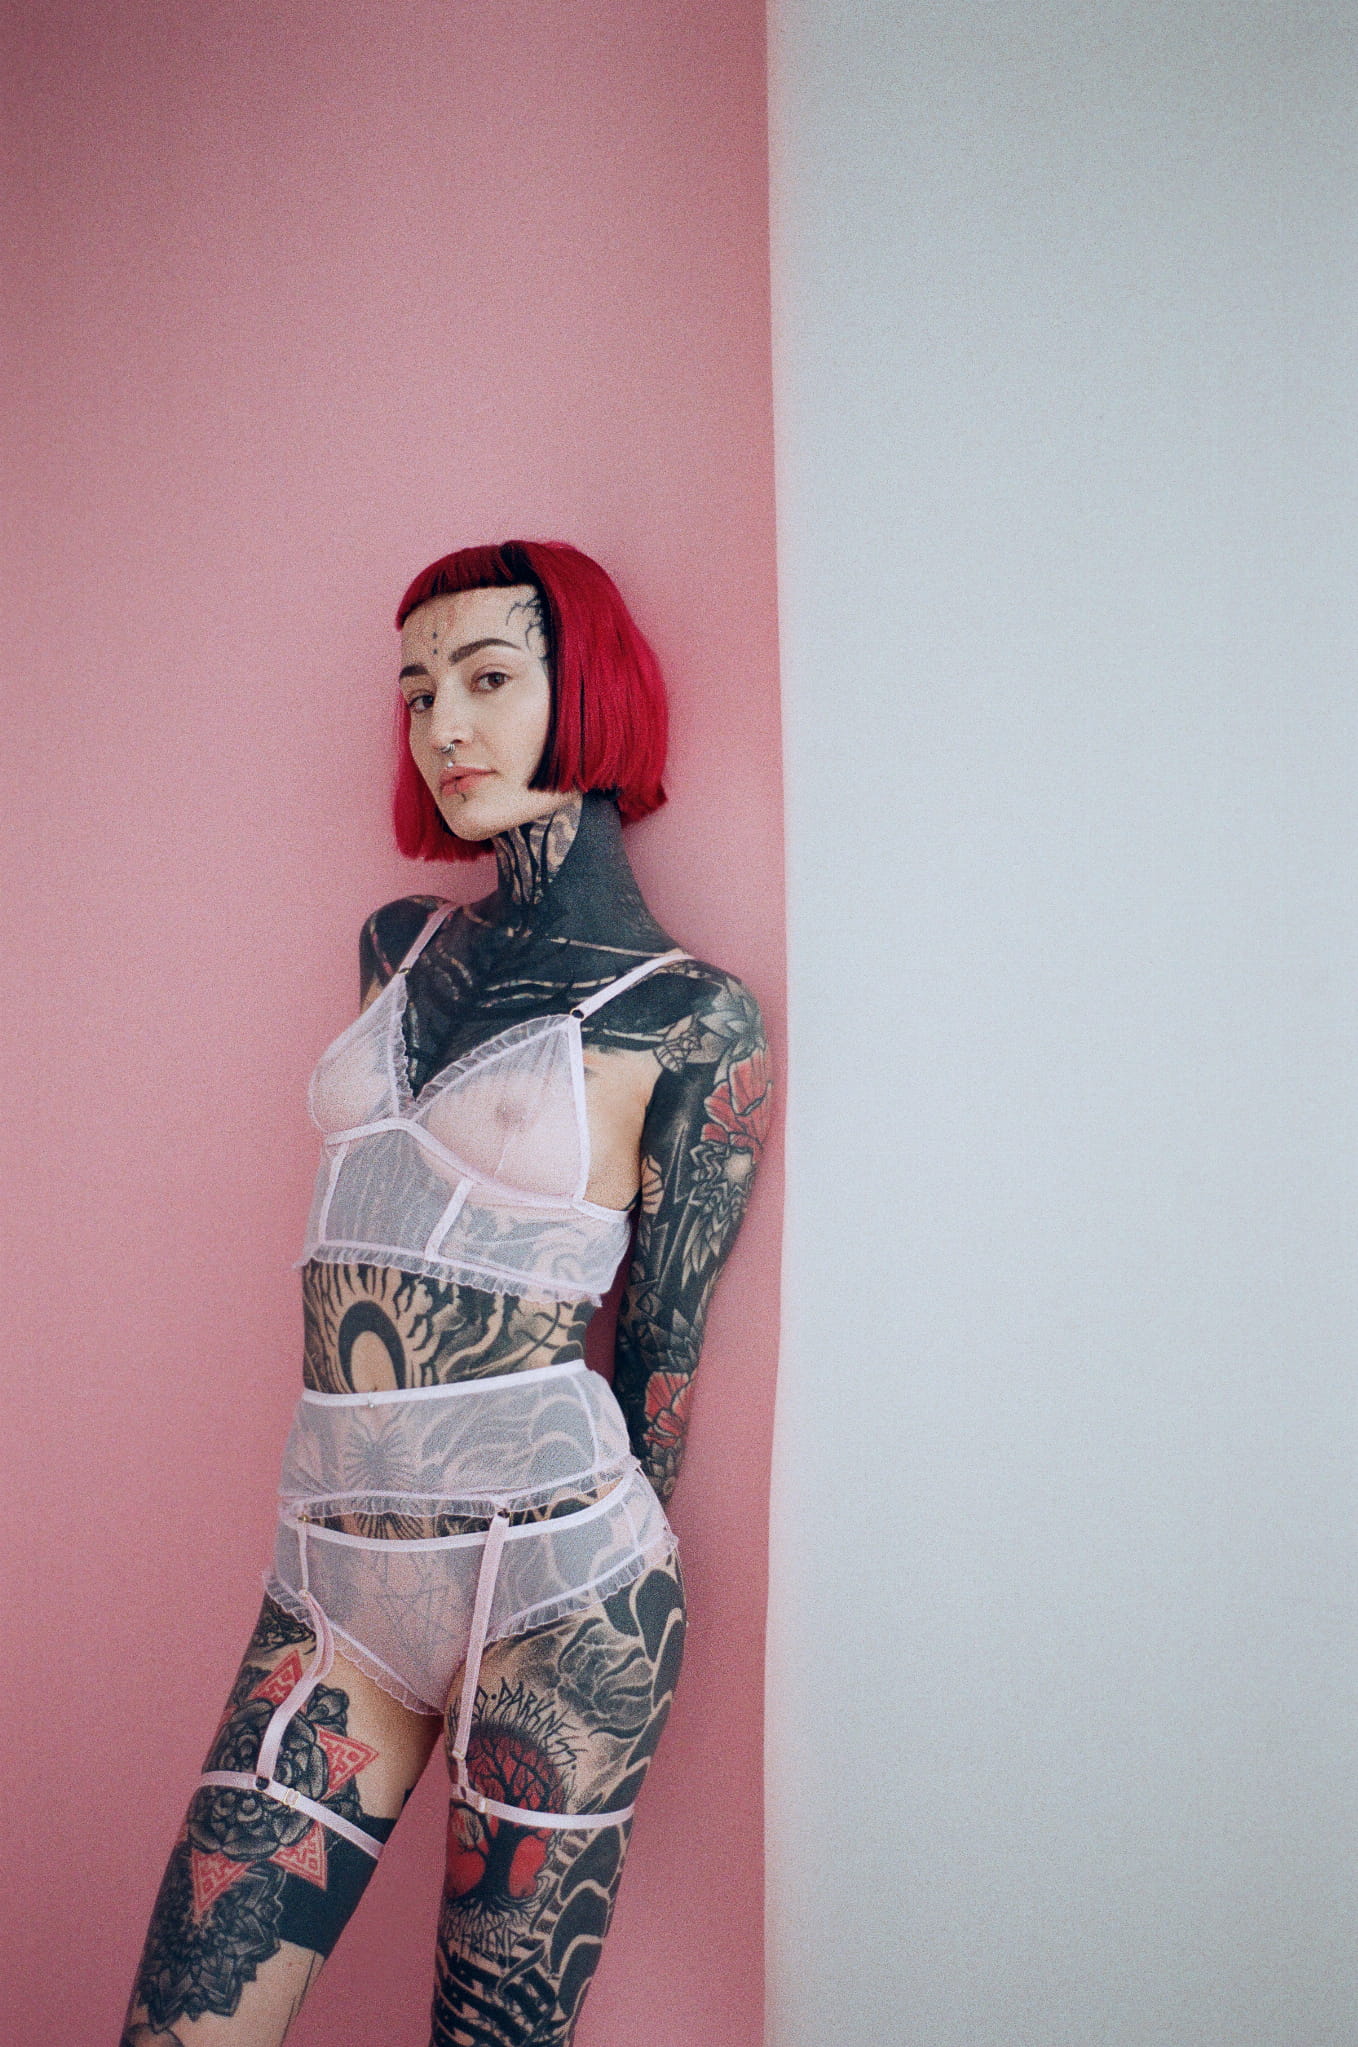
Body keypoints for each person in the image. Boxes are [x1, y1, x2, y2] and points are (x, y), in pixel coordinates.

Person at [122, 540, 772, 2047]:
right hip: (329, 1578)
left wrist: (596, 1592)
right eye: (418, 693)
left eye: (487, 679)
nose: (444, 728)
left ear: (585, 686)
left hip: (557, 1594)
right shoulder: (396, 949)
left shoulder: (693, 1016)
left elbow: (661, 1355)